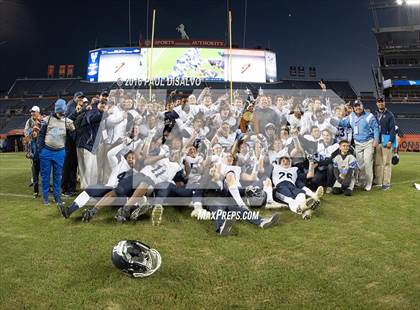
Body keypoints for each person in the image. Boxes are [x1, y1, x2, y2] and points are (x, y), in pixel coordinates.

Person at [38, 99, 75, 206]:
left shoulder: (66, 121)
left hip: (60, 152)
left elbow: (73, 131)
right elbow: (41, 135)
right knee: (45, 176)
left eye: (63, 112)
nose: (62, 114)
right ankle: (45, 198)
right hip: (46, 152)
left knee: (58, 176)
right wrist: (41, 150)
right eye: (60, 111)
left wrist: (72, 127)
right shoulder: (47, 119)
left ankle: (57, 198)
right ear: (56, 110)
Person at [338, 101, 379, 191]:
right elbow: (343, 123)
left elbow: (376, 128)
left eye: (359, 106)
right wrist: (334, 120)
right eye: (355, 106)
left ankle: (369, 183)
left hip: (368, 142)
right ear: (353, 108)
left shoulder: (369, 116)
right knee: (360, 164)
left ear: (362, 105)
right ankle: (361, 181)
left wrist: (376, 140)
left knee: (368, 163)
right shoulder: (351, 116)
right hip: (357, 143)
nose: (357, 108)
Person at [61, 92, 84, 196]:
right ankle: (65, 188)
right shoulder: (71, 105)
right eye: (79, 97)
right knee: (68, 164)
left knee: (73, 164)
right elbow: (67, 120)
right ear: (75, 98)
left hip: (74, 138)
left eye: (82, 98)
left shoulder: (78, 106)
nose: (81, 99)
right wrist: (76, 111)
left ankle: (72, 187)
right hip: (69, 139)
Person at [374, 97, 396, 190]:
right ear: (376, 104)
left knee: (387, 163)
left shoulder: (390, 114)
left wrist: (390, 141)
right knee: (378, 163)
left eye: (382, 102)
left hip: (386, 142)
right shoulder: (374, 115)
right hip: (377, 141)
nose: (380, 104)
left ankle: (386, 183)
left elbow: (392, 129)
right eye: (379, 102)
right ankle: (378, 182)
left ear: (384, 103)